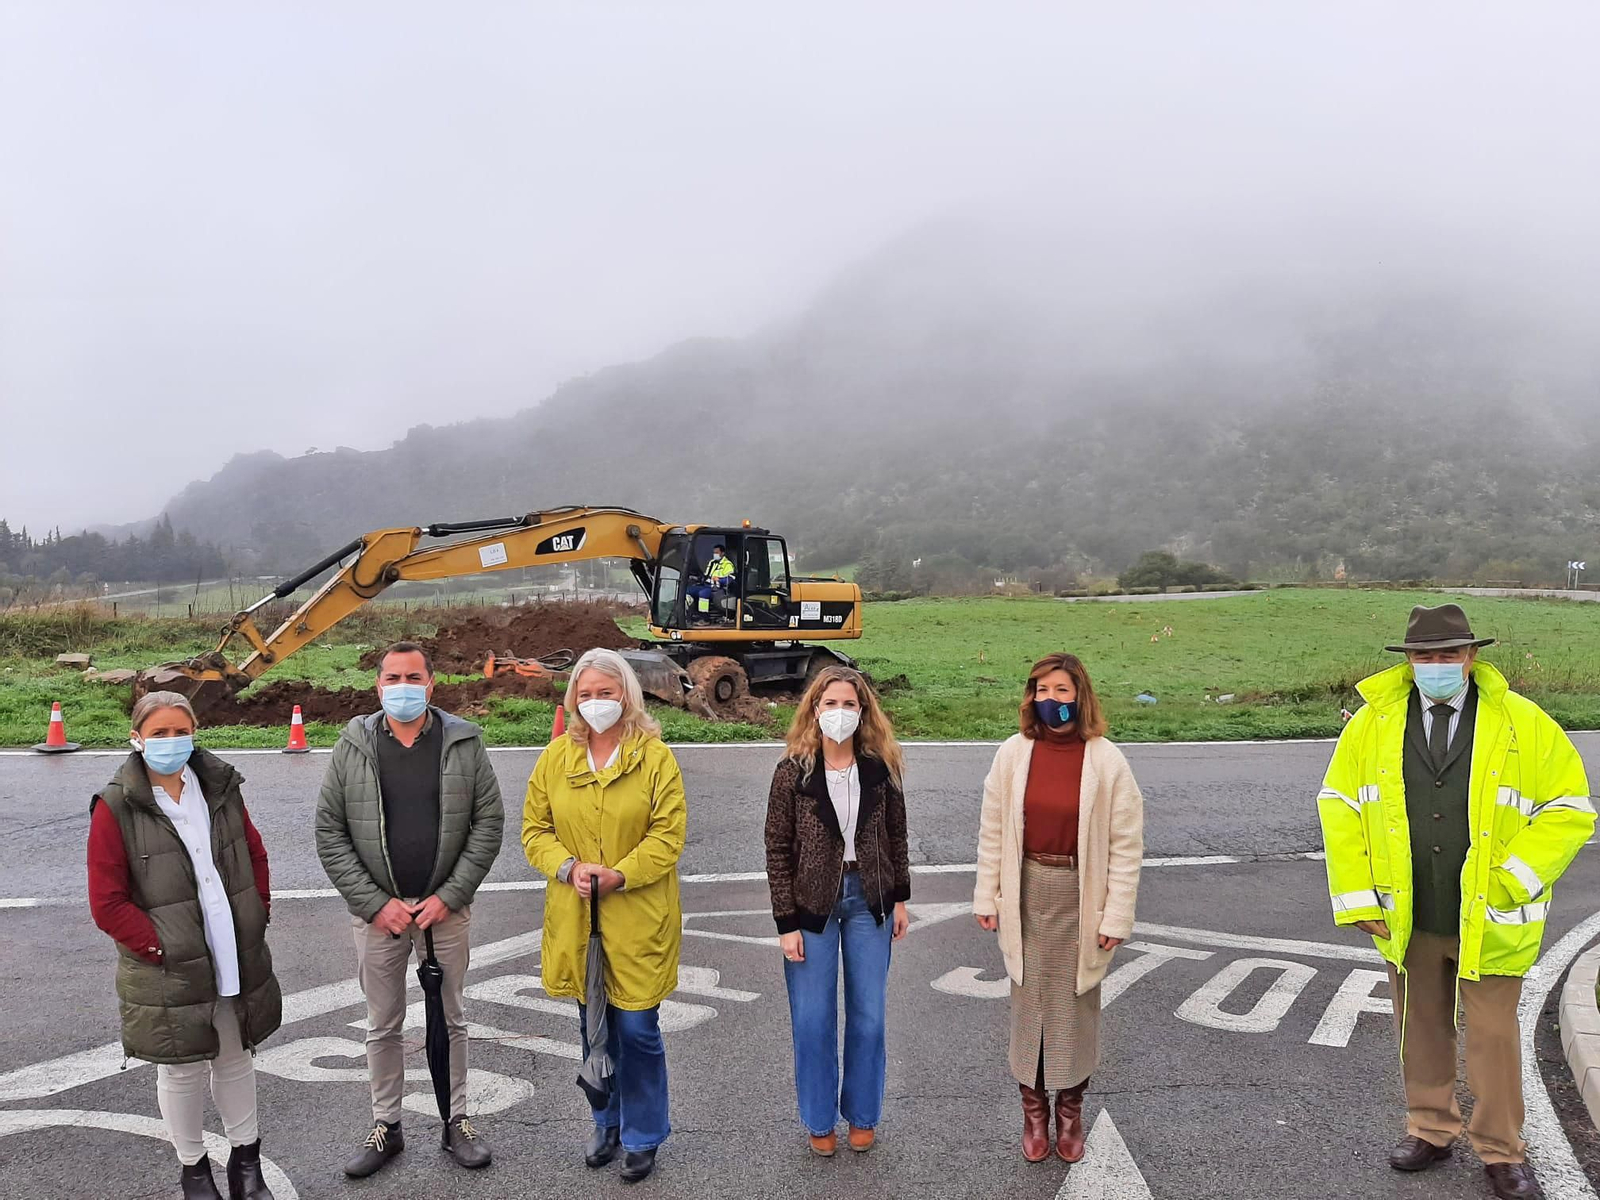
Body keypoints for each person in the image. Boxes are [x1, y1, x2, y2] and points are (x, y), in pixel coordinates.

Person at [1317, 604, 1593, 1200]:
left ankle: (1501, 1149)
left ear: (1472, 658)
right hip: (1408, 914)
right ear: (1409, 661)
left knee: (1493, 1037)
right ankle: (1431, 1129)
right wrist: (1358, 897)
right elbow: (1338, 805)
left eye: (1447, 655)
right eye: (1424, 656)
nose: (1435, 665)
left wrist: (1514, 881)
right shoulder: (1372, 724)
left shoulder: (1523, 722)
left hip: (1489, 917)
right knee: (1420, 1030)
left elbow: (1570, 808)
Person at [315, 641, 505, 1179]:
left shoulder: (463, 741)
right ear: (378, 686)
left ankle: (457, 1121)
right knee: (383, 1024)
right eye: (392, 677)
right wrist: (375, 905)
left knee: (452, 1018)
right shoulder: (353, 745)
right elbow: (330, 831)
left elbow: (488, 824)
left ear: (431, 683)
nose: (403, 686)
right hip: (381, 916)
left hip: (446, 911)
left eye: (412, 677)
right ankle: (387, 1126)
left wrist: (450, 895)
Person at [88, 691, 282, 1200]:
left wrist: (255, 914)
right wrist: (160, 949)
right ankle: (194, 1171)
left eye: (180, 731)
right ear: (137, 739)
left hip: (231, 952)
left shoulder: (218, 788)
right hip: (170, 963)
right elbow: (107, 902)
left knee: (237, 1057)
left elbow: (254, 854)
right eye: (159, 733)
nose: (172, 742)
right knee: (182, 1069)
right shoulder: (115, 806)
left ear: (194, 733)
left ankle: (247, 1165)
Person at [522, 647, 688, 1184]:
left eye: (606, 693)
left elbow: (668, 836)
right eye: (586, 694)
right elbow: (534, 831)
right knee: (593, 1026)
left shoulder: (655, 758)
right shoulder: (555, 759)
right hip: (577, 917)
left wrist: (620, 874)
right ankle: (606, 1121)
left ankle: (644, 1134)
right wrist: (567, 866)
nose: (596, 703)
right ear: (573, 699)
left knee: (637, 1029)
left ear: (628, 696)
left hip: (637, 916)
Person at [973, 652, 1145, 1164]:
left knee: (1075, 1006)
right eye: (1043, 691)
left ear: (1080, 697)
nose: (1052, 701)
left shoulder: (1106, 759)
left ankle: (1070, 1113)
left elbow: (1125, 843)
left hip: (1080, 893)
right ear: (1032, 697)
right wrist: (988, 894)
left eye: (1062, 691)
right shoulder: (1012, 754)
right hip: (1027, 887)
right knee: (1029, 1005)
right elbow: (993, 830)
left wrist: (1116, 914)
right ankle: (1033, 1113)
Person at [764, 666, 911, 1157]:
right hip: (811, 905)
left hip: (870, 899)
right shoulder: (792, 771)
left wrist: (901, 898)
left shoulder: (879, 768)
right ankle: (819, 1118)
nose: (840, 713)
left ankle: (863, 1114)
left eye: (850, 704)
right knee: (812, 1019)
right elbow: (776, 847)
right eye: (831, 704)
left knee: (869, 1018)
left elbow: (897, 835)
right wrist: (787, 923)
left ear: (863, 711)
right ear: (814, 710)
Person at [685, 544, 736, 623]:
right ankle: (690, 614)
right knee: (687, 590)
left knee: (703, 593)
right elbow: (706, 575)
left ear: (722, 553)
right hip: (706, 585)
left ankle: (704, 618)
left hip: (717, 589)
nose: (715, 554)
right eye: (714, 552)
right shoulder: (712, 563)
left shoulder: (727, 564)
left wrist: (719, 579)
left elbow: (731, 579)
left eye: (717, 552)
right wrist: (696, 578)